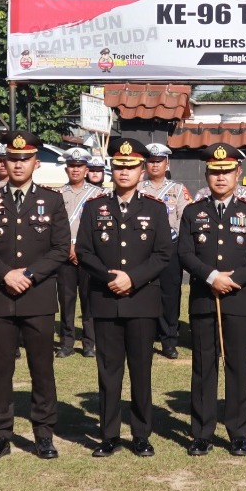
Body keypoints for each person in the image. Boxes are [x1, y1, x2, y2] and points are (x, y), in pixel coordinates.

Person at [0, 130, 71, 461]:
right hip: (0, 296)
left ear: (36, 163)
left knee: (42, 368)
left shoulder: (53, 201)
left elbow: (60, 249)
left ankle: (43, 433)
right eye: (12, 159)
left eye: (24, 159)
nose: (18, 164)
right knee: (0, 370)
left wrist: (28, 274)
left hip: (38, 296)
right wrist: (5, 273)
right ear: (4, 162)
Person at [76, 137, 174, 458]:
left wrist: (132, 278)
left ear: (142, 170)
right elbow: (84, 251)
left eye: (130, 167)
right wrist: (110, 278)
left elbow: (163, 254)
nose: (123, 172)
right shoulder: (94, 207)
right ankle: (109, 435)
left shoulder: (156, 209)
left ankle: (141, 435)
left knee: (141, 371)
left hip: (142, 300)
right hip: (105, 299)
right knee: (108, 372)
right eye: (118, 166)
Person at [177, 143, 246, 456]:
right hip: (204, 299)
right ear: (207, 174)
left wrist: (233, 279)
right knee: (204, 367)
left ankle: (238, 432)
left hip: (238, 300)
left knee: (238, 367)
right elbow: (185, 253)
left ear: (238, 174)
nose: (220, 177)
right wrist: (211, 276)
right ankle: (202, 432)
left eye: (226, 172)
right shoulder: (193, 212)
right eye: (215, 172)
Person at [139, 143, 191, 359]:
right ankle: (147, 335)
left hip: (170, 249)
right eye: (150, 161)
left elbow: (184, 220)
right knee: (144, 292)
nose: (154, 165)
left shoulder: (178, 189)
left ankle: (169, 338)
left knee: (170, 294)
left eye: (158, 161)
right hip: (142, 250)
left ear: (166, 163)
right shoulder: (138, 189)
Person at [56, 145, 104, 358]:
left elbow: (101, 227)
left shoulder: (99, 195)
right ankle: (66, 342)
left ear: (87, 169)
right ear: (66, 169)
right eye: (71, 166)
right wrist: (67, 248)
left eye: (80, 166)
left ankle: (89, 343)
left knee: (90, 300)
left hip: (89, 254)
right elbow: (54, 226)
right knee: (66, 301)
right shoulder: (57, 195)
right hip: (64, 255)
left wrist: (81, 248)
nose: (75, 170)